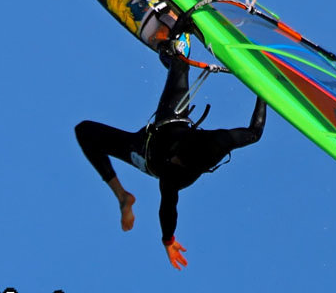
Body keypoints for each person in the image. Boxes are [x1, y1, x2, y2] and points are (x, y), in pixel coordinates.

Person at [74, 45, 267, 270]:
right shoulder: (217, 142)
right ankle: (170, 47)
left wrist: (168, 240)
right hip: (173, 121)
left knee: (85, 131)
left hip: (143, 151)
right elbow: (254, 133)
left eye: (176, 161)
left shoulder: (172, 177)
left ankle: (123, 197)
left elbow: (168, 210)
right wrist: (262, 89)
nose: (175, 160)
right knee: (180, 62)